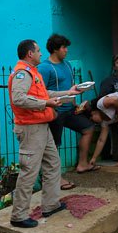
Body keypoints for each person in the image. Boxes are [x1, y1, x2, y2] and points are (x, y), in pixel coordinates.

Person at [8, 39, 85, 228]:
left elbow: (45, 94)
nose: (41, 54)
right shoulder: (22, 73)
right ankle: (18, 216)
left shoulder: (33, 73)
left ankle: (50, 205)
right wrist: (46, 104)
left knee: (53, 163)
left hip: (41, 126)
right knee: (29, 171)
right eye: (38, 51)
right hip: (31, 128)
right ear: (29, 54)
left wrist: (69, 92)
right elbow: (18, 99)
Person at [38, 34, 96, 184]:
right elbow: (41, 92)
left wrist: (75, 100)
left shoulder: (67, 65)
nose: (66, 50)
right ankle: (54, 178)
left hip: (70, 110)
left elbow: (70, 88)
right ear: (55, 49)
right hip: (55, 112)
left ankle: (82, 164)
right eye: (64, 47)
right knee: (54, 146)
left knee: (88, 128)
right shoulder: (44, 68)